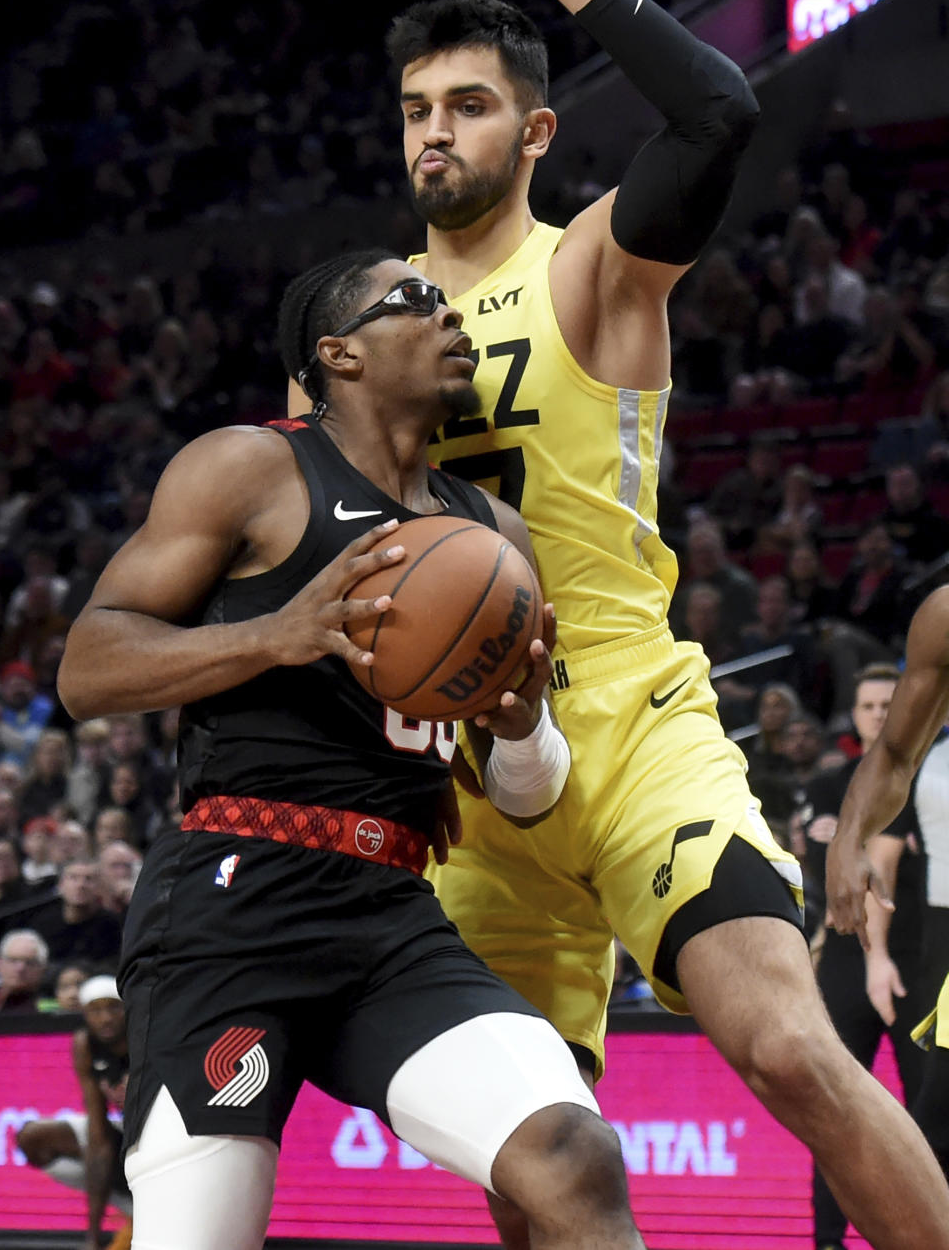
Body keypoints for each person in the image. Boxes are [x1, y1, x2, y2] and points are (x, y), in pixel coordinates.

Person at [310, 0, 949, 1250]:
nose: (434, 131)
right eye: (415, 107)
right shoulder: (354, 328)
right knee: (537, 1177)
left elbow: (722, 105)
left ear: (534, 130)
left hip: (620, 718)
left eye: (466, 104)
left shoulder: (594, 262)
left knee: (789, 1047)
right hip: (457, 775)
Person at [58, 252, 647, 1250]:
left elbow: (528, 793)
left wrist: (517, 726)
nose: (447, 315)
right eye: (414, 301)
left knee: (571, 1158)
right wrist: (272, 636)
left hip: (391, 912)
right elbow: (87, 668)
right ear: (339, 354)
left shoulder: (491, 531)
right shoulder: (250, 467)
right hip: (233, 902)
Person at [827, 585, 949, 1184]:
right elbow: (896, 751)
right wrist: (849, 838)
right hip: (942, 931)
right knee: (938, 1138)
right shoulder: (945, 616)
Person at [802, 664, 925, 1250]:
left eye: (888, 704)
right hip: (847, 960)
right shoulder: (831, 784)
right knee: (833, 1116)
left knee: (930, 1111)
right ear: (853, 716)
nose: (878, 713)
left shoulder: (928, 779)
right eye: (868, 705)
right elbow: (807, 860)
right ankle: (827, 1239)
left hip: (918, 960)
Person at [17, 974, 133, 1250]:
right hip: (124, 1145)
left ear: (128, 1010)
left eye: (113, 1008)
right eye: (95, 1010)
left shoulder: (144, 1036)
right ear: (84, 1014)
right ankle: (127, 1207)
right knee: (34, 1137)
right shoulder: (85, 1044)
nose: (105, 1018)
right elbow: (98, 1132)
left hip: (160, 1140)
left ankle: (138, 1212)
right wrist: (92, 1235)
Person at [0, 927, 48, 1013]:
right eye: (13, 960)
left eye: (29, 962)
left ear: (42, 968)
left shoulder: (48, 1009)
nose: (20, 968)